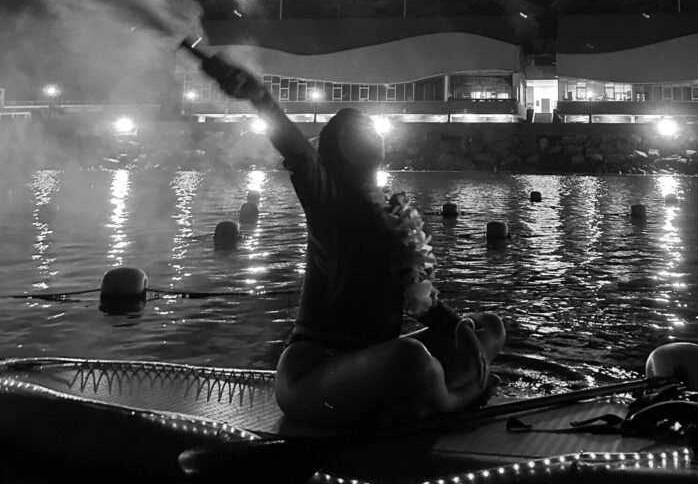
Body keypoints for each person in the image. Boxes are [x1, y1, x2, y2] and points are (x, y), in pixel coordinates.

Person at [200, 53, 506, 429]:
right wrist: (260, 97)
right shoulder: (327, 200)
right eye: (358, 131)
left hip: (368, 365)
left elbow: (421, 303)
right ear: (337, 150)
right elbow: (298, 151)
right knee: (411, 358)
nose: (372, 134)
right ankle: (456, 399)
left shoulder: (392, 218)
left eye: (372, 130)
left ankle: (424, 400)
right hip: (314, 376)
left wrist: (459, 329)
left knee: (488, 327)